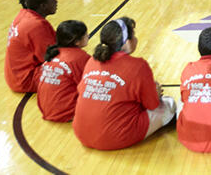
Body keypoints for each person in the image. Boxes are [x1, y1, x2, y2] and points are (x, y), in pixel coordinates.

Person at [73, 17, 176, 150]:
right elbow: (153, 104)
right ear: (127, 42)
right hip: (115, 137)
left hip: (81, 133)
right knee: (168, 104)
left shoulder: (92, 60)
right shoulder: (138, 65)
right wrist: (155, 93)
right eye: (134, 35)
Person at [4, 0, 58, 93]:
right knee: (74, 66)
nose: (56, 1)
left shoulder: (23, 15)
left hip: (15, 76)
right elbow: (51, 57)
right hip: (26, 80)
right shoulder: (36, 25)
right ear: (43, 5)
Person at [37, 20, 90, 122]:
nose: (88, 36)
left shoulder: (54, 53)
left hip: (46, 109)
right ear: (77, 41)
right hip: (65, 112)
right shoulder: (80, 58)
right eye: (85, 34)